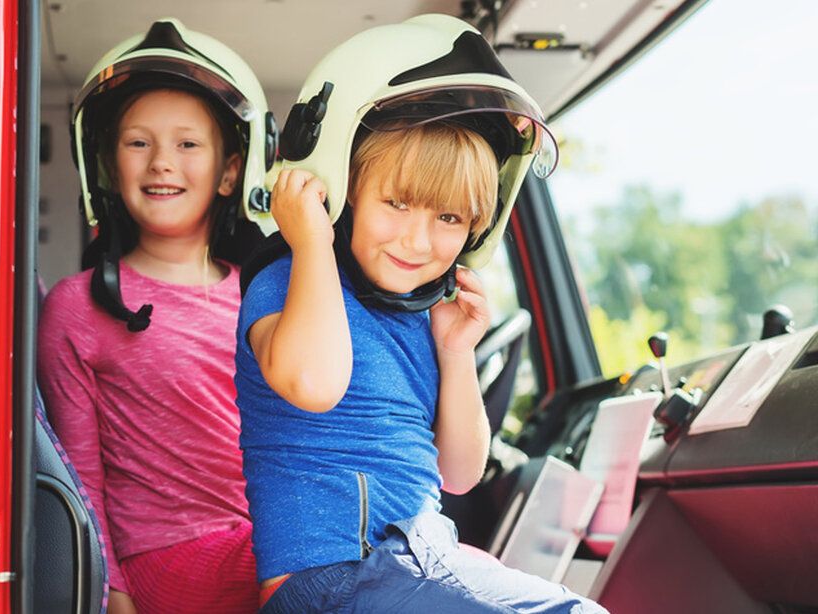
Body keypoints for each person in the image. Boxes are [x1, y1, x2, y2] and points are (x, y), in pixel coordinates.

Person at [236, 14, 608, 612]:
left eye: (449, 218)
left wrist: (455, 353)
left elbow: (460, 474)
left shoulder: (422, 317)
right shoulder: (285, 280)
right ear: (344, 188)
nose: (417, 240)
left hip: (420, 559)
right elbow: (313, 383)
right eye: (397, 202)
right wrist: (309, 242)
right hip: (330, 581)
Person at [38, 18, 276, 614]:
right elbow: (77, 473)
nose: (161, 162)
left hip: (265, 548)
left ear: (230, 172)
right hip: (164, 560)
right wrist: (110, 589)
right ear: (110, 168)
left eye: (188, 144)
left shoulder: (265, 297)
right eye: (138, 142)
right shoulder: (78, 305)